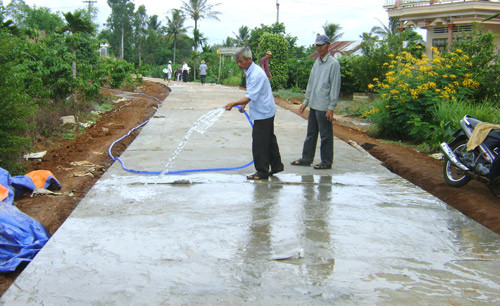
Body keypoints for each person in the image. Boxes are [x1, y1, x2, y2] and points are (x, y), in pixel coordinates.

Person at [225, 47, 284, 180]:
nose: (239, 65)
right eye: (237, 62)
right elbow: (251, 93)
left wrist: (233, 103)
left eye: (241, 61)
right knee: (268, 139)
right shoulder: (250, 71)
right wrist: (243, 104)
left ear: (249, 59)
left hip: (263, 112)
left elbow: (250, 95)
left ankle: (262, 171)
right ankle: (276, 166)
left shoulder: (256, 74)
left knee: (260, 142)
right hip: (265, 110)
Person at [291, 34, 341, 170]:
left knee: (325, 135)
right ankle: (306, 158)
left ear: (328, 45)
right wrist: (306, 101)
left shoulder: (333, 64)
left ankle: (326, 161)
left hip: (324, 105)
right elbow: (311, 82)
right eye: (317, 46)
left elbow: (335, 86)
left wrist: (331, 107)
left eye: (322, 45)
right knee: (311, 133)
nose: (319, 48)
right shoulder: (317, 62)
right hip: (314, 104)